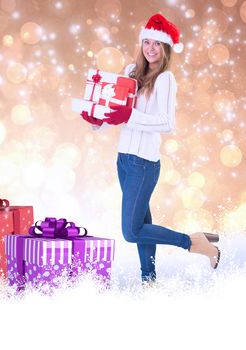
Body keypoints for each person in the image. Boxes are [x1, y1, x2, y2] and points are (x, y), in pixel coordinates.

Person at [81, 13, 221, 285]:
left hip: (144, 164)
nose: (150, 48)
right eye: (147, 42)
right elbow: (118, 113)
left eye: (157, 44)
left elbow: (167, 123)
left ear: (166, 48)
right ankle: (149, 281)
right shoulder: (130, 73)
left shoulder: (166, 79)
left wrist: (129, 116)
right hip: (124, 161)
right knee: (142, 226)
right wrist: (98, 120)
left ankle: (195, 243)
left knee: (132, 231)